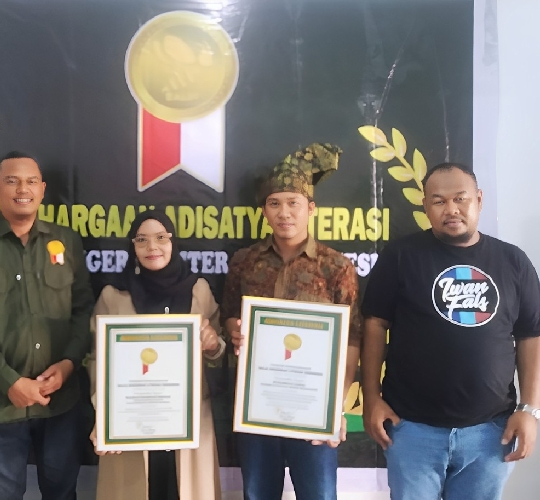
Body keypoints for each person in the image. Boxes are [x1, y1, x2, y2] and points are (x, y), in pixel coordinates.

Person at [361, 162, 540, 500]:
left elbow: (531, 335)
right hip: (411, 428)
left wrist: (530, 409)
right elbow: (375, 324)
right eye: (439, 201)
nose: (451, 209)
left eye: (461, 198)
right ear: (425, 206)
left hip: (490, 432)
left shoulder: (513, 262)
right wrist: (371, 398)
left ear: (479, 200)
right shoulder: (400, 256)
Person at [0, 152, 94, 500]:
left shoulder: (67, 241)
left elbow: (83, 308)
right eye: (11, 181)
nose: (22, 189)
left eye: (30, 181)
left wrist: (69, 363)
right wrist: (8, 380)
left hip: (60, 402)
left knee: (62, 492)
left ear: (42, 189)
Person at [220, 143, 362, 500]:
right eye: (274, 203)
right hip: (257, 406)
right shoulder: (244, 262)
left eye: (293, 203)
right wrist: (234, 330)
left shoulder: (336, 267)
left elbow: (351, 340)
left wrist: (335, 406)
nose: (284, 213)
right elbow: (229, 316)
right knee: (258, 494)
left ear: (310, 208)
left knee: (319, 495)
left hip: (314, 408)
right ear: (264, 210)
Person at [89, 210, 225, 500]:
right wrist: (104, 412)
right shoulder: (114, 295)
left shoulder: (198, 290)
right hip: (131, 420)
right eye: (142, 240)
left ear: (173, 242)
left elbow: (218, 352)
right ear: (132, 246)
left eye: (161, 237)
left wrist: (213, 345)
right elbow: (97, 360)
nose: (152, 247)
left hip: (187, 419)